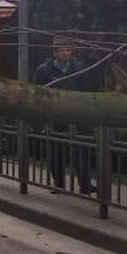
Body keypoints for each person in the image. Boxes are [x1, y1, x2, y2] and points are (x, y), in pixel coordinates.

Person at [33, 44, 94, 194]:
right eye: (62, 50)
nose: (66, 53)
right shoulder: (44, 70)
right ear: (54, 52)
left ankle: (85, 184)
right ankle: (58, 184)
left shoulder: (79, 68)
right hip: (55, 116)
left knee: (81, 150)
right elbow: (38, 92)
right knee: (56, 150)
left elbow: (86, 90)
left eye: (68, 50)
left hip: (76, 115)